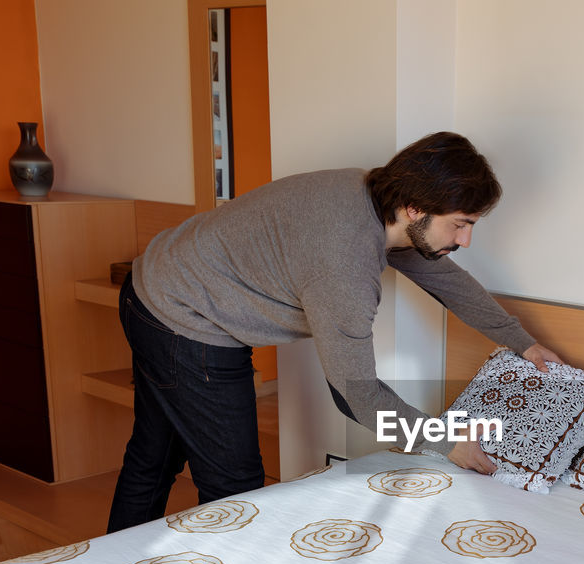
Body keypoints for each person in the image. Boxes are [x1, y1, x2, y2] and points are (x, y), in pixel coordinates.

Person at [107, 132, 560, 533]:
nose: (465, 240)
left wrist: (522, 341)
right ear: (415, 209)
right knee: (236, 488)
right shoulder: (346, 264)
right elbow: (357, 397)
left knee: (154, 456)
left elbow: (447, 280)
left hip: (152, 285)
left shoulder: (373, 196)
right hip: (186, 320)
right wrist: (446, 443)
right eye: (460, 224)